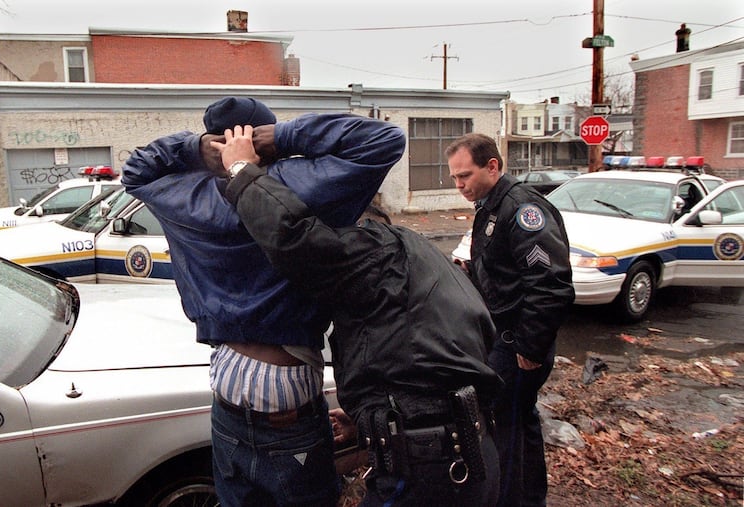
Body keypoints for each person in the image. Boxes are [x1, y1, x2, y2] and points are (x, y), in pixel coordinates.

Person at [121, 97, 405, 507]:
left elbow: (135, 168)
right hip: (287, 405)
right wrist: (284, 136)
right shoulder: (303, 184)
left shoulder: (186, 195)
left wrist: (194, 147)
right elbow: (383, 139)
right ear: (264, 139)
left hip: (226, 395)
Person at [210, 124, 504, 506]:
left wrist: (241, 171)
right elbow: (426, 351)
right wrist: (375, 416)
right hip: (469, 452)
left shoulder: (371, 248)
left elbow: (295, 238)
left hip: (428, 466)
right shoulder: (413, 252)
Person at [445, 133, 575, 507]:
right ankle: (530, 498)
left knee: (507, 434)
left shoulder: (522, 209)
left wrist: (530, 346)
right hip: (504, 338)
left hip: (518, 344)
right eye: (454, 178)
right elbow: (504, 270)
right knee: (520, 425)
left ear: (493, 166)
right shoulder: (490, 205)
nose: (459, 186)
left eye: (465, 176)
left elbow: (549, 283)